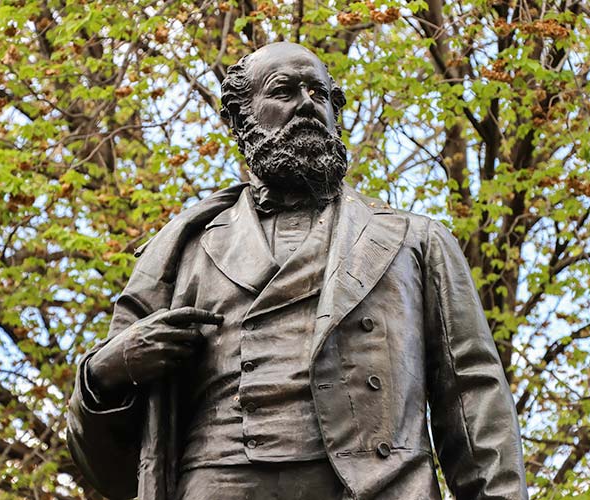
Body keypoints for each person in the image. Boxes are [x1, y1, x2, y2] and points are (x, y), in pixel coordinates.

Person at [67, 42, 528, 500]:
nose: (306, 104)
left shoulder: (416, 240)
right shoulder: (182, 252)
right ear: (239, 118)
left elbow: (474, 398)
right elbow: (112, 469)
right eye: (283, 91)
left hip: (376, 487)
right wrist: (103, 374)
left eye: (319, 94)